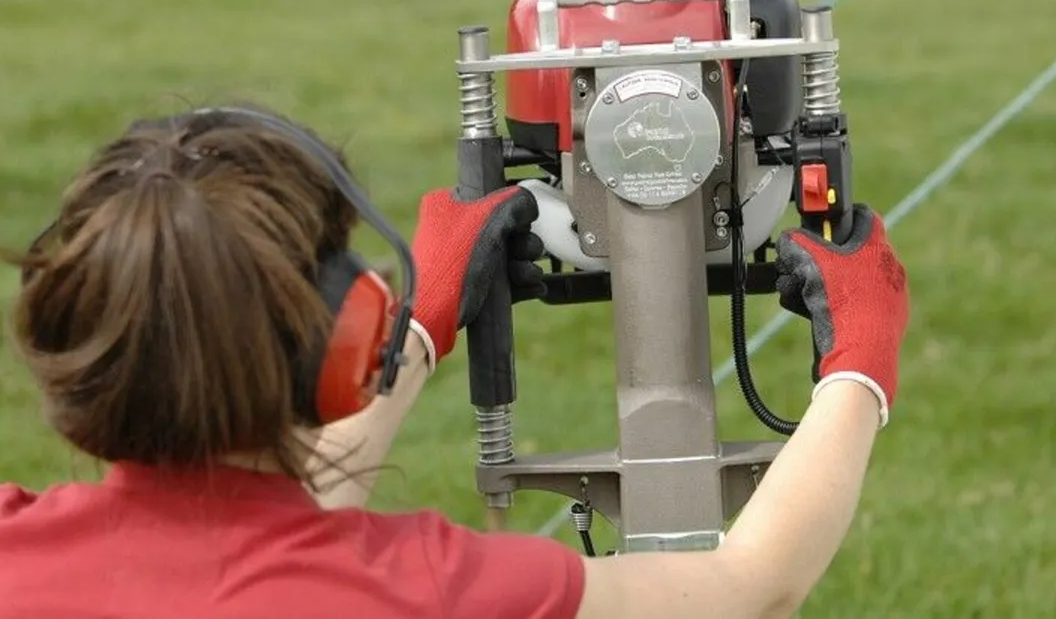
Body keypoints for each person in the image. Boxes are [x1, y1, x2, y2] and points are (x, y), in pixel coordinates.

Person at [0, 105, 909, 619]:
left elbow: (235, 553)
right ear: (346, 334)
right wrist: (859, 366)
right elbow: (743, 588)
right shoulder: (418, 589)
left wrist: (425, 325)